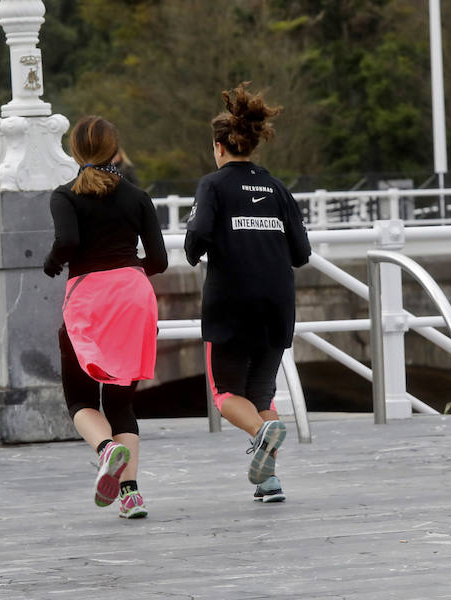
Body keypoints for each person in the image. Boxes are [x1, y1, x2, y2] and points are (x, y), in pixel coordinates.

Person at [184, 83, 311, 502]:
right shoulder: (277, 188)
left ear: (220, 146)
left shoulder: (213, 185)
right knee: (261, 393)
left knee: (225, 396)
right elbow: (302, 252)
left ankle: (261, 433)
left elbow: (198, 235)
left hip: (231, 303)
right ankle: (269, 481)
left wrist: (196, 248)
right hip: (278, 304)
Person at [43, 116, 168, 518]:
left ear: (75, 152)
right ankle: (130, 495)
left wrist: (52, 263)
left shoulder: (64, 196)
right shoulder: (137, 196)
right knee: (121, 400)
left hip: (89, 299)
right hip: (134, 297)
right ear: (115, 148)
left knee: (80, 396)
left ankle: (105, 449)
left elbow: (69, 241)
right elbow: (161, 261)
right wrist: (127, 273)